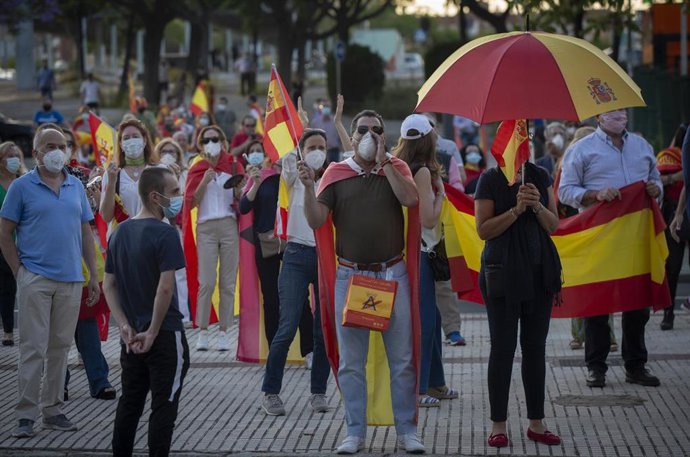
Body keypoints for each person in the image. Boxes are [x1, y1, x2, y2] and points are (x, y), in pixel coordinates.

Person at [302, 110, 425, 454]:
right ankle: (354, 432)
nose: (370, 134)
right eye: (364, 130)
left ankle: (407, 431)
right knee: (351, 363)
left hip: (392, 273)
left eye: (377, 129)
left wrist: (385, 162)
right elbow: (316, 220)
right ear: (351, 136)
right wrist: (309, 188)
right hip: (351, 276)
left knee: (401, 360)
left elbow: (411, 200)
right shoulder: (336, 173)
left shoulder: (397, 169)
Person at [0, 128, 99, 438]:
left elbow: (85, 232)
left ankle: (52, 410)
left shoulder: (74, 186)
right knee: (32, 348)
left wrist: (92, 275)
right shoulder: (21, 187)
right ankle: (25, 415)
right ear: (37, 152)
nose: (57, 151)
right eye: (50, 146)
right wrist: (20, 273)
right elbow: (5, 232)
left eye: (62, 146)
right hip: (36, 280)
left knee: (60, 349)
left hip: (71, 280)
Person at [559, 109, 662, 388]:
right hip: (600, 238)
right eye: (612, 112)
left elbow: (657, 181)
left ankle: (636, 365)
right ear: (598, 117)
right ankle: (596, 367)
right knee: (597, 304)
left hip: (635, 238)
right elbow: (565, 191)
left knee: (638, 304)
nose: (619, 116)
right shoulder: (582, 150)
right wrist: (595, 194)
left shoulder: (642, 147)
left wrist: (655, 190)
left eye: (623, 111)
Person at [475, 157, 563, 448]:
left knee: (535, 348)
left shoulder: (540, 175)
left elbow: (553, 225)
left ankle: (536, 422)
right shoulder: (490, 178)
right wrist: (516, 210)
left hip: (541, 274)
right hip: (502, 274)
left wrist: (536, 206)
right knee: (502, 347)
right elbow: (484, 230)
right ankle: (498, 425)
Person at [103, 167, 189, 457]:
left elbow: (109, 285)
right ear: (156, 196)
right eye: (175, 191)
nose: (180, 197)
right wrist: (152, 331)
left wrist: (124, 326)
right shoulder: (165, 233)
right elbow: (165, 288)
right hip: (163, 335)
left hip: (131, 338)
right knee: (163, 407)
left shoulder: (120, 232)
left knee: (130, 402)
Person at [260, 129, 331, 416]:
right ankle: (271, 391)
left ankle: (318, 393)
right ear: (301, 151)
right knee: (287, 326)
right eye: (311, 146)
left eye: (322, 147)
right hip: (295, 255)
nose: (317, 151)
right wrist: (298, 132)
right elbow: (289, 159)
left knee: (322, 332)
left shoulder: (332, 177)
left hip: (325, 258)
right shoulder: (292, 176)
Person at [394, 114, 458, 408]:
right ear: (428, 139)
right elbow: (429, 219)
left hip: (411, 252)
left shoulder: (400, 166)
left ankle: (435, 383)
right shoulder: (421, 172)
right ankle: (419, 389)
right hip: (421, 253)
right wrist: (442, 195)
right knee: (426, 323)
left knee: (428, 318)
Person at [184, 125, 245, 351]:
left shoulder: (232, 164)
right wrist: (203, 182)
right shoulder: (198, 167)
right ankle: (202, 330)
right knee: (206, 281)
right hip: (206, 226)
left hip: (229, 224)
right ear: (200, 144)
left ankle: (224, 332)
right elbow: (190, 202)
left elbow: (242, 196)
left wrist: (241, 188)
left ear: (223, 140)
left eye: (216, 138)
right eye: (207, 139)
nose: (212, 142)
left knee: (228, 283)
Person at [239, 141, 292, 346]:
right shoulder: (261, 176)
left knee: (297, 297)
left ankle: (308, 350)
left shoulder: (291, 175)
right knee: (270, 297)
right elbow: (244, 207)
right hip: (266, 243)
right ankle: (274, 346)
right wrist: (256, 183)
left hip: (290, 242)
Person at [100, 119, 159, 234]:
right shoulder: (112, 174)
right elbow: (106, 216)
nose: (131, 141)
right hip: (123, 240)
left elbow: (172, 209)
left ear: (145, 140)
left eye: (135, 136)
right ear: (121, 145)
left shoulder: (159, 170)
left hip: (154, 237)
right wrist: (112, 183)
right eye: (126, 138)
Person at [657, 124, 688, 330]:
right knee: (673, 266)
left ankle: (668, 314)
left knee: (673, 267)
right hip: (674, 212)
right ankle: (668, 313)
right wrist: (676, 177)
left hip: (678, 212)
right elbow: (657, 178)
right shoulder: (668, 155)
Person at [0, 142, 24, 346]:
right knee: (5, 287)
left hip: (23, 245)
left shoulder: (25, 183)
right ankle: (7, 329)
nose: (14, 159)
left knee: (18, 288)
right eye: (9, 155)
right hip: (2, 243)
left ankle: (15, 330)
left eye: (16, 155)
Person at [309, 99, 342, 163]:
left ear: (331, 107)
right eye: (324, 106)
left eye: (328, 106)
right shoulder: (315, 123)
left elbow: (340, 136)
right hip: (321, 152)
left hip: (335, 151)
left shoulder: (336, 121)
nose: (326, 108)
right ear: (320, 108)